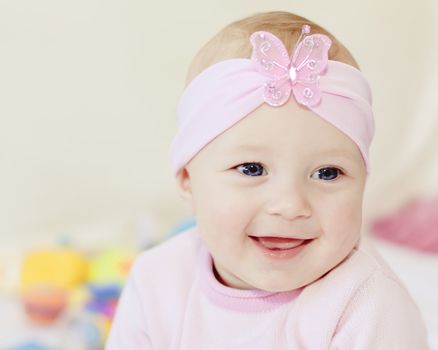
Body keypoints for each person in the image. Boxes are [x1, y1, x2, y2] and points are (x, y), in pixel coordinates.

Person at [106, 11, 429, 349]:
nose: (290, 205)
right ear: (188, 180)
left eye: (327, 173)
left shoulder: (368, 307)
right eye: (252, 169)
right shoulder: (157, 281)